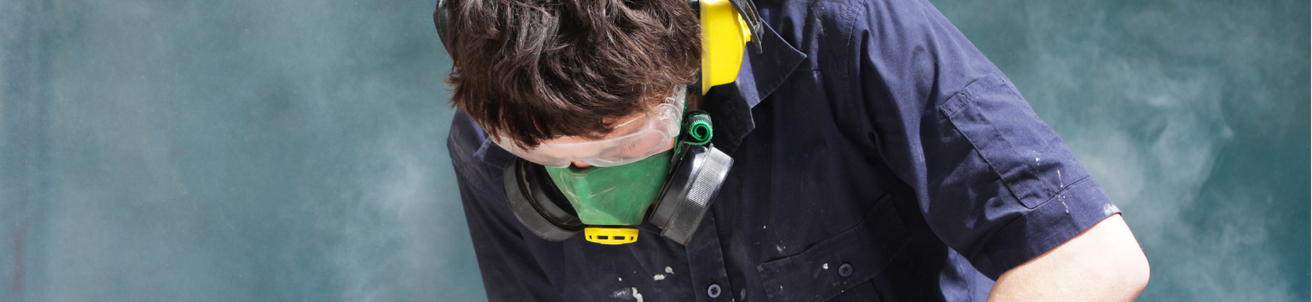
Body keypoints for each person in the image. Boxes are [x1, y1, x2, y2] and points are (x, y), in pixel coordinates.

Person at [438, 0, 1151, 301]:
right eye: (543, 157)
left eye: (620, 141)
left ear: (699, 61)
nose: (582, 183)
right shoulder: (485, 140)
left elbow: (1092, 258)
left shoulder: (843, 31)